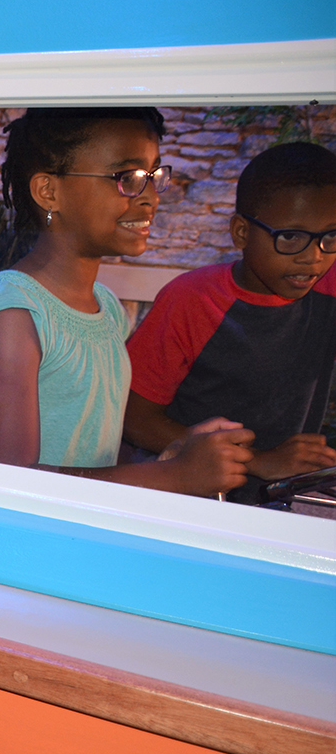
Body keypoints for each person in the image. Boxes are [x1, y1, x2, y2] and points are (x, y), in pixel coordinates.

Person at [0, 107, 252, 496]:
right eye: (127, 178)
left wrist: (172, 458)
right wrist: (175, 477)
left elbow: (99, 455)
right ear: (49, 192)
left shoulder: (107, 307)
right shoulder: (15, 313)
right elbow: (9, 484)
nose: (150, 198)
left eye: (154, 176)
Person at [123, 141, 336, 503]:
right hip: (188, 501)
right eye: (290, 237)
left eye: (330, 236)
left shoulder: (327, 286)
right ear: (241, 232)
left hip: (277, 503)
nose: (312, 258)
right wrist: (259, 460)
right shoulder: (192, 300)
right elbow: (134, 418)